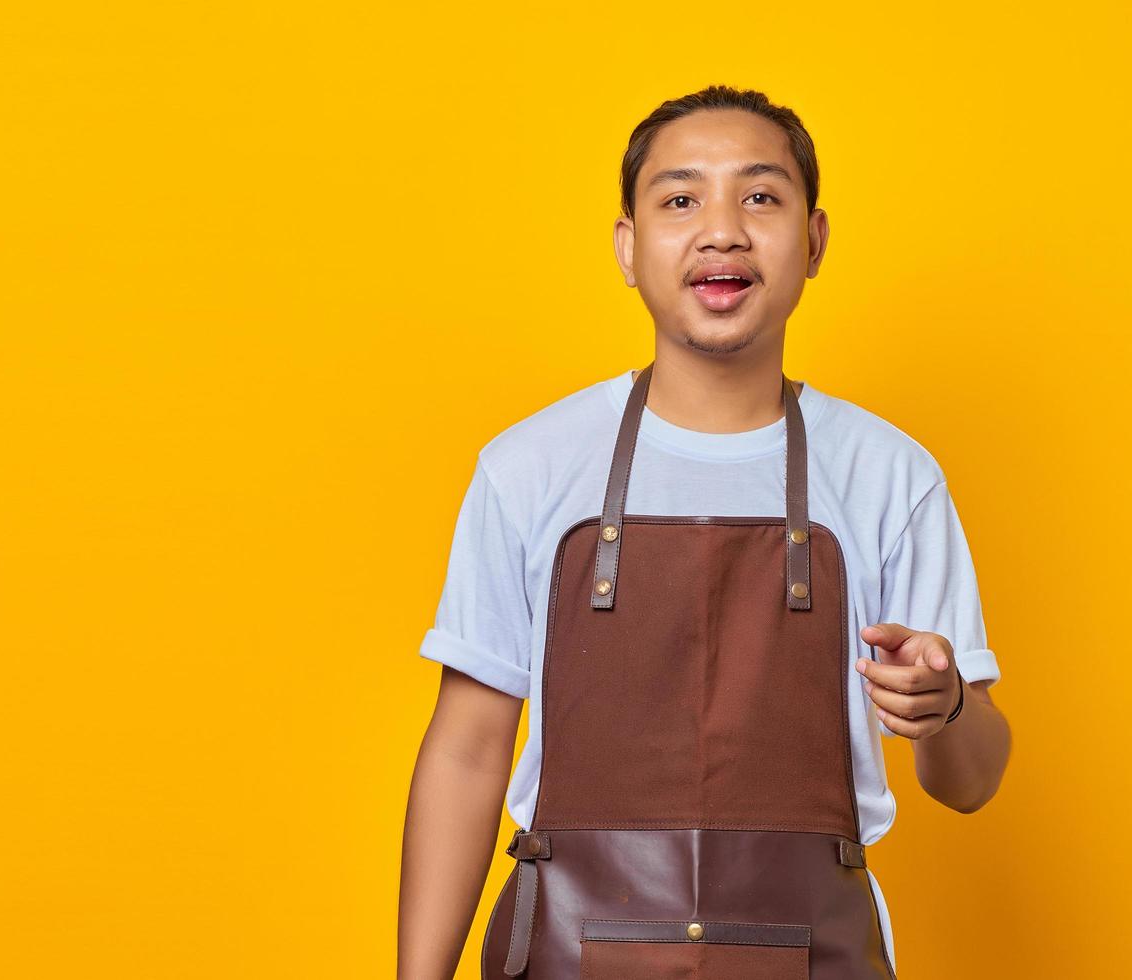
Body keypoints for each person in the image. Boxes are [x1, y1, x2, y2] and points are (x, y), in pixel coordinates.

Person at [397, 84, 1012, 980]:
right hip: (564, 954)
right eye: (680, 199)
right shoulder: (528, 465)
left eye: (760, 197)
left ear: (813, 241)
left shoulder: (891, 475)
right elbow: (466, 749)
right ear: (628, 245)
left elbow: (972, 781)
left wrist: (946, 703)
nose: (721, 229)